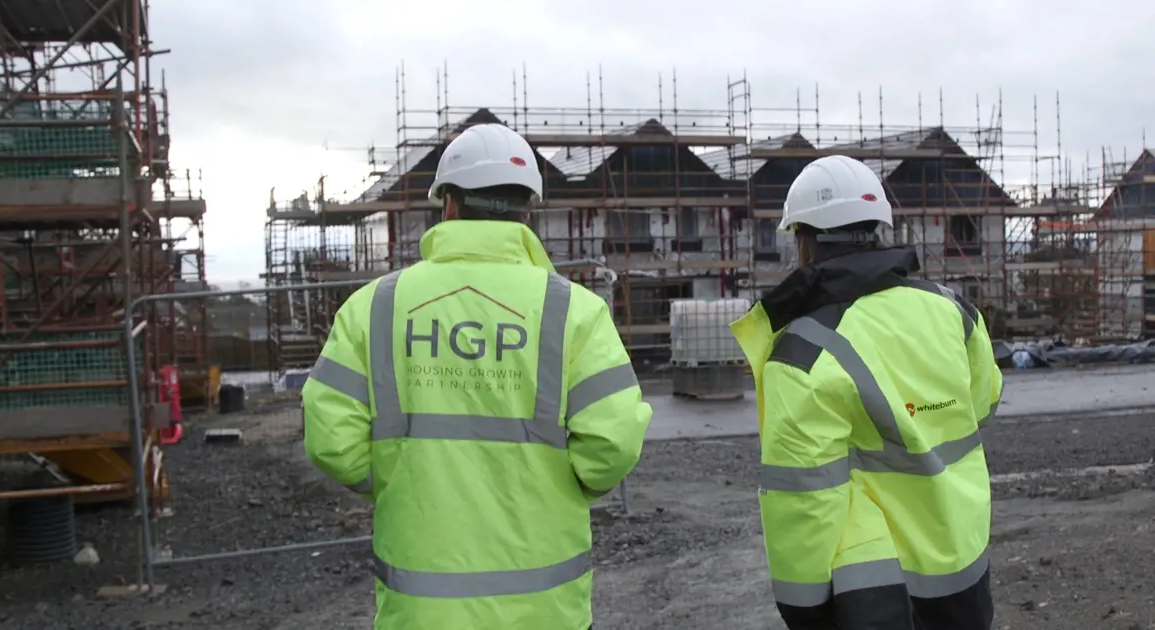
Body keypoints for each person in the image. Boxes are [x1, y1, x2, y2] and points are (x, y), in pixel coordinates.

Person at [302, 122, 652, 630]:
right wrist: (562, 485)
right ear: (526, 210)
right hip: (544, 609)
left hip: (423, 610)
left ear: (448, 204)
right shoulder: (574, 311)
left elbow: (331, 439)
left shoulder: (374, 308)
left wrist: (397, 476)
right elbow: (613, 446)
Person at [729, 155, 1003, 629]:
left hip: (873, 593)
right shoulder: (953, 311)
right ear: (877, 228)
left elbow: (804, 503)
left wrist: (804, 609)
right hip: (962, 562)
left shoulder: (802, 353)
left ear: (804, 241)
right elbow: (981, 404)